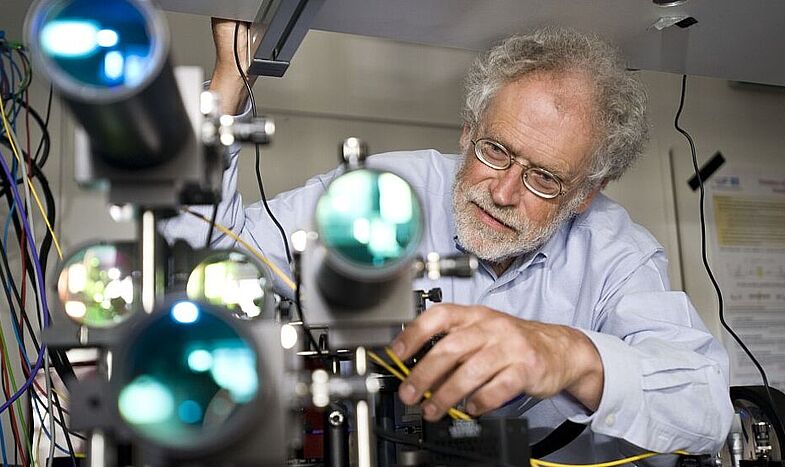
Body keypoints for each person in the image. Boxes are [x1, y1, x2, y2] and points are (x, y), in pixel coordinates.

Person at [162, 19, 733, 461]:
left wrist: (569, 356)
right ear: (467, 131)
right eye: (495, 151)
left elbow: (708, 411)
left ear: (585, 192)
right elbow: (208, 265)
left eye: (545, 178)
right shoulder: (383, 192)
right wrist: (228, 80)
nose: (504, 192)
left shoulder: (615, 251)